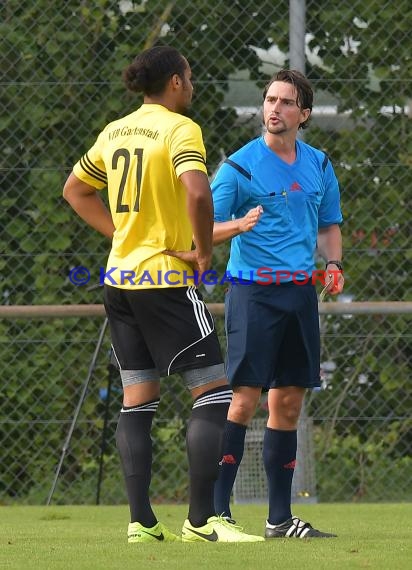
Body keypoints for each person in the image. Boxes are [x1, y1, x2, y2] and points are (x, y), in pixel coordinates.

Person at [62, 45, 264, 544]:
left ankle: (141, 523)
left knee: (138, 398)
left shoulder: (116, 130)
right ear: (174, 82)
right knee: (214, 392)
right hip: (165, 281)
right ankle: (200, 523)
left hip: (119, 281)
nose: (191, 85)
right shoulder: (180, 129)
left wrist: (121, 236)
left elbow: (74, 190)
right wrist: (203, 252)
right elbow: (197, 193)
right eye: (189, 77)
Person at [210, 69, 344, 538]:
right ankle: (216, 516)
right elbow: (199, 227)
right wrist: (236, 227)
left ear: (304, 114)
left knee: (287, 402)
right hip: (254, 294)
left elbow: (329, 224)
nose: (275, 108)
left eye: (287, 102)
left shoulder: (319, 164)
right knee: (244, 398)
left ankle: (279, 520)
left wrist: (334, 264)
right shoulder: (239, 166)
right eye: (270, 99)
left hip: (299, 294)